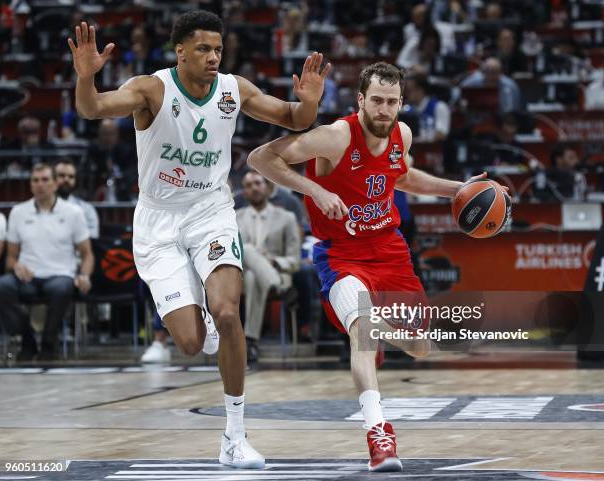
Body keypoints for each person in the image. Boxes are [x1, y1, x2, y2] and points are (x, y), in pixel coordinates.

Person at [68, 11, 329, 468]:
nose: (213, 58)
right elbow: (92, 109)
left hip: (211, 211)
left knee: (229, 312)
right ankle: (198, 316)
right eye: (204, 49)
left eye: (219, 50)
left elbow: (292, 118)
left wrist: (308, 103)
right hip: (159, 223)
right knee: (190, 343)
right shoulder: (152, 88)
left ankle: (234, 436)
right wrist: (86, 79)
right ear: (180, 51)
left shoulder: (233, 89)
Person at [248, 62, 507, 472]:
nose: (385, 110)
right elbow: (261, 158)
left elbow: (400, 177)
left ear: (401, 103)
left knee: (421, 348)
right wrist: (314, 189)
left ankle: (377, 337)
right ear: (361, 101)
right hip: (341, 255)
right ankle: (379, 435)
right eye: (377, 101)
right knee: (362, 333)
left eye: (392, 102)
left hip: (390, 252)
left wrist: (458, 188)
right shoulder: (335, 137)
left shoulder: (400, 135)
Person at [0, 163, 93, 361]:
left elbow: (87, 254)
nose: (40, 185)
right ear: (30, 185)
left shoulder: (73, 212)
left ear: (55, 184)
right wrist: (16, 266)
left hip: (60, 275)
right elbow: (10, 257)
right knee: (2, 286)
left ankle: (49, 344)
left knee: (61, 288)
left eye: (45, 180)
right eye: (35, 180)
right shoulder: (18, 212)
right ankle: (27, 339)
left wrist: (84, 275)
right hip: (28, 277)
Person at [236, 171, 301, 362]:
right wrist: (256, 258)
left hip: (279, 271)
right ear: (244, 193)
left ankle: (251, 341)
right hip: (242, 275)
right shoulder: (234, 218)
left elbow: (294, 259)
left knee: (254, 276)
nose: (254, 188)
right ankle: (278, 287)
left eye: (258, 183)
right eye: (248, 185)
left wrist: (271, 262)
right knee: (246, 250)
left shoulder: (287, 217)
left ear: (268, 188)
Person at [55, 158, 100, 238]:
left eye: (71, 176)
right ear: (52, 178)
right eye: (62, 175)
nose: (66, 179)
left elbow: (92, 238)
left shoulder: (87, 209)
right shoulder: (40, 207)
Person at [402, 73, 451, 142]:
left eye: (409, 90)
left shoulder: (439, 107)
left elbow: (441, 135)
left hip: (432, 150)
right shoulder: (406, 109)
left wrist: (420, 138)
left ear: (420, 90)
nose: (407, 94)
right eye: (406, 91)